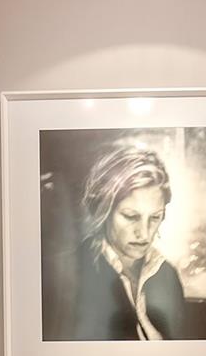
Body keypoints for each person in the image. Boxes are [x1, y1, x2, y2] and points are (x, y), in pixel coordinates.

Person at [43, 145, 185, 341]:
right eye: (130, 216)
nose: (144, 233)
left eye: (155, 217)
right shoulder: (66, 275)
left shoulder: (168, 275)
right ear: (103, 211)